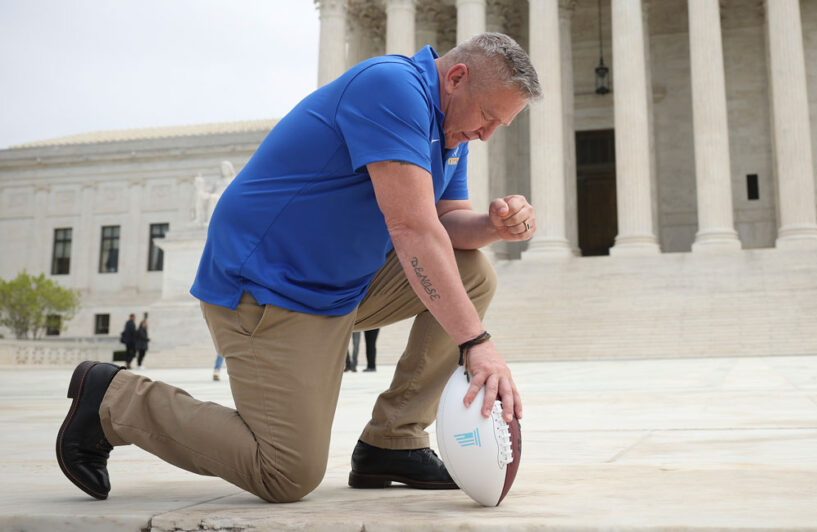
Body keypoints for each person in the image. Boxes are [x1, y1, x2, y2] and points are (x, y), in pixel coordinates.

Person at [56, 33, 538, 504]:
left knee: (473, 271)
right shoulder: (392, 88)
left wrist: (494, 226)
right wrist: (476, 342)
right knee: (286, 472)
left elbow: (447, 222)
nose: (486, 134)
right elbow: (413, 228)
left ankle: (394, 441)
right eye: (488, 117)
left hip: (338, 287)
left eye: (501, 126)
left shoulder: (450, 128)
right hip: (266, 289)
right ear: (455, 78)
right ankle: (114, 399)